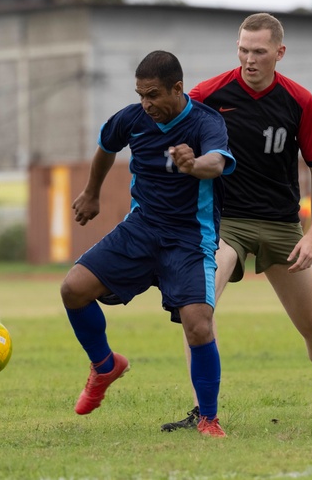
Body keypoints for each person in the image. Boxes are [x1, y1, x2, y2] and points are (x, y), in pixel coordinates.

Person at [161, 12, 312, 432]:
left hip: (281, 223)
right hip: (225, 222)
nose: (249, 59)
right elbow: (174, 139)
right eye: (243, 50)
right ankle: (203, 412)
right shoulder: (209, 94)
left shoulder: (299, 100)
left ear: (279, 52)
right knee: (199, 308)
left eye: (259, 52)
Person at [60, 50, 236, 438]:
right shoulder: (132, 118)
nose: (146, 104)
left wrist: (193, 165)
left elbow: (218, 163)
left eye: (153, 95)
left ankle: (208, 418)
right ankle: (105, 365)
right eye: (140, 94)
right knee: (73, 289)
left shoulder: (206, 122)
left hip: (190, 237)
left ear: (177, 88)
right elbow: (107, 146)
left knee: (198, 325)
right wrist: (91, 193)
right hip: (141, 229)